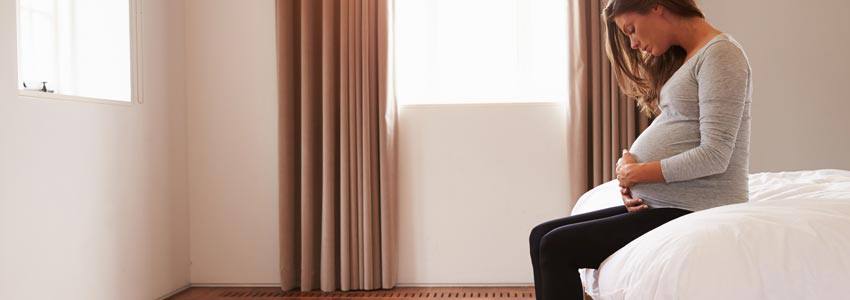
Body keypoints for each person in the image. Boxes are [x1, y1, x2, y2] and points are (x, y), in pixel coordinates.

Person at [528, 0, 753, 299]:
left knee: (556, 246)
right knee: (540, 235)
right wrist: (631, 173)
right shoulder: (690, 57)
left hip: (695, 205)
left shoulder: (721, 55)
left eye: (632, 30)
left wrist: (639, 172)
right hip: (666, 202)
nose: (633, 43)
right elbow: (678, 126)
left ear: (657, 6)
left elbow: (715, 154)